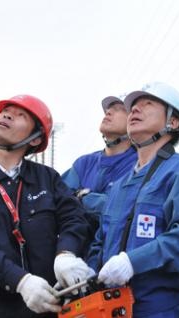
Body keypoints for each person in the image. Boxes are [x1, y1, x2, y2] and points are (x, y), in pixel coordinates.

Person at [0, 95, 91, 317]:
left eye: (21, 115)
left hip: (40, 308)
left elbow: (74, 219)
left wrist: (66, 254)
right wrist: (20, 281)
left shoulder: (47, 178)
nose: (7, 115)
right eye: (5, 111)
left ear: (35, 139)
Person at [87, 82, 179, 317]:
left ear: (172, 122)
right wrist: (88, 273)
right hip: (110, 307)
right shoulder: (120, 185)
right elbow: (100, 239)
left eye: (147, 104)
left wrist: (133, 261)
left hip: (157, 308)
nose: (135, 110)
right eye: (133, 107)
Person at [62, 96, 137, 240]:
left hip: (117, 252)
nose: (108, 113)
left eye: (119, 109)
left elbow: (121, 208)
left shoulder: (140, 164)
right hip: (76, 250)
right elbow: (60, 199)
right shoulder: (84, 163)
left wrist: (81, 195)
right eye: (108, 110)